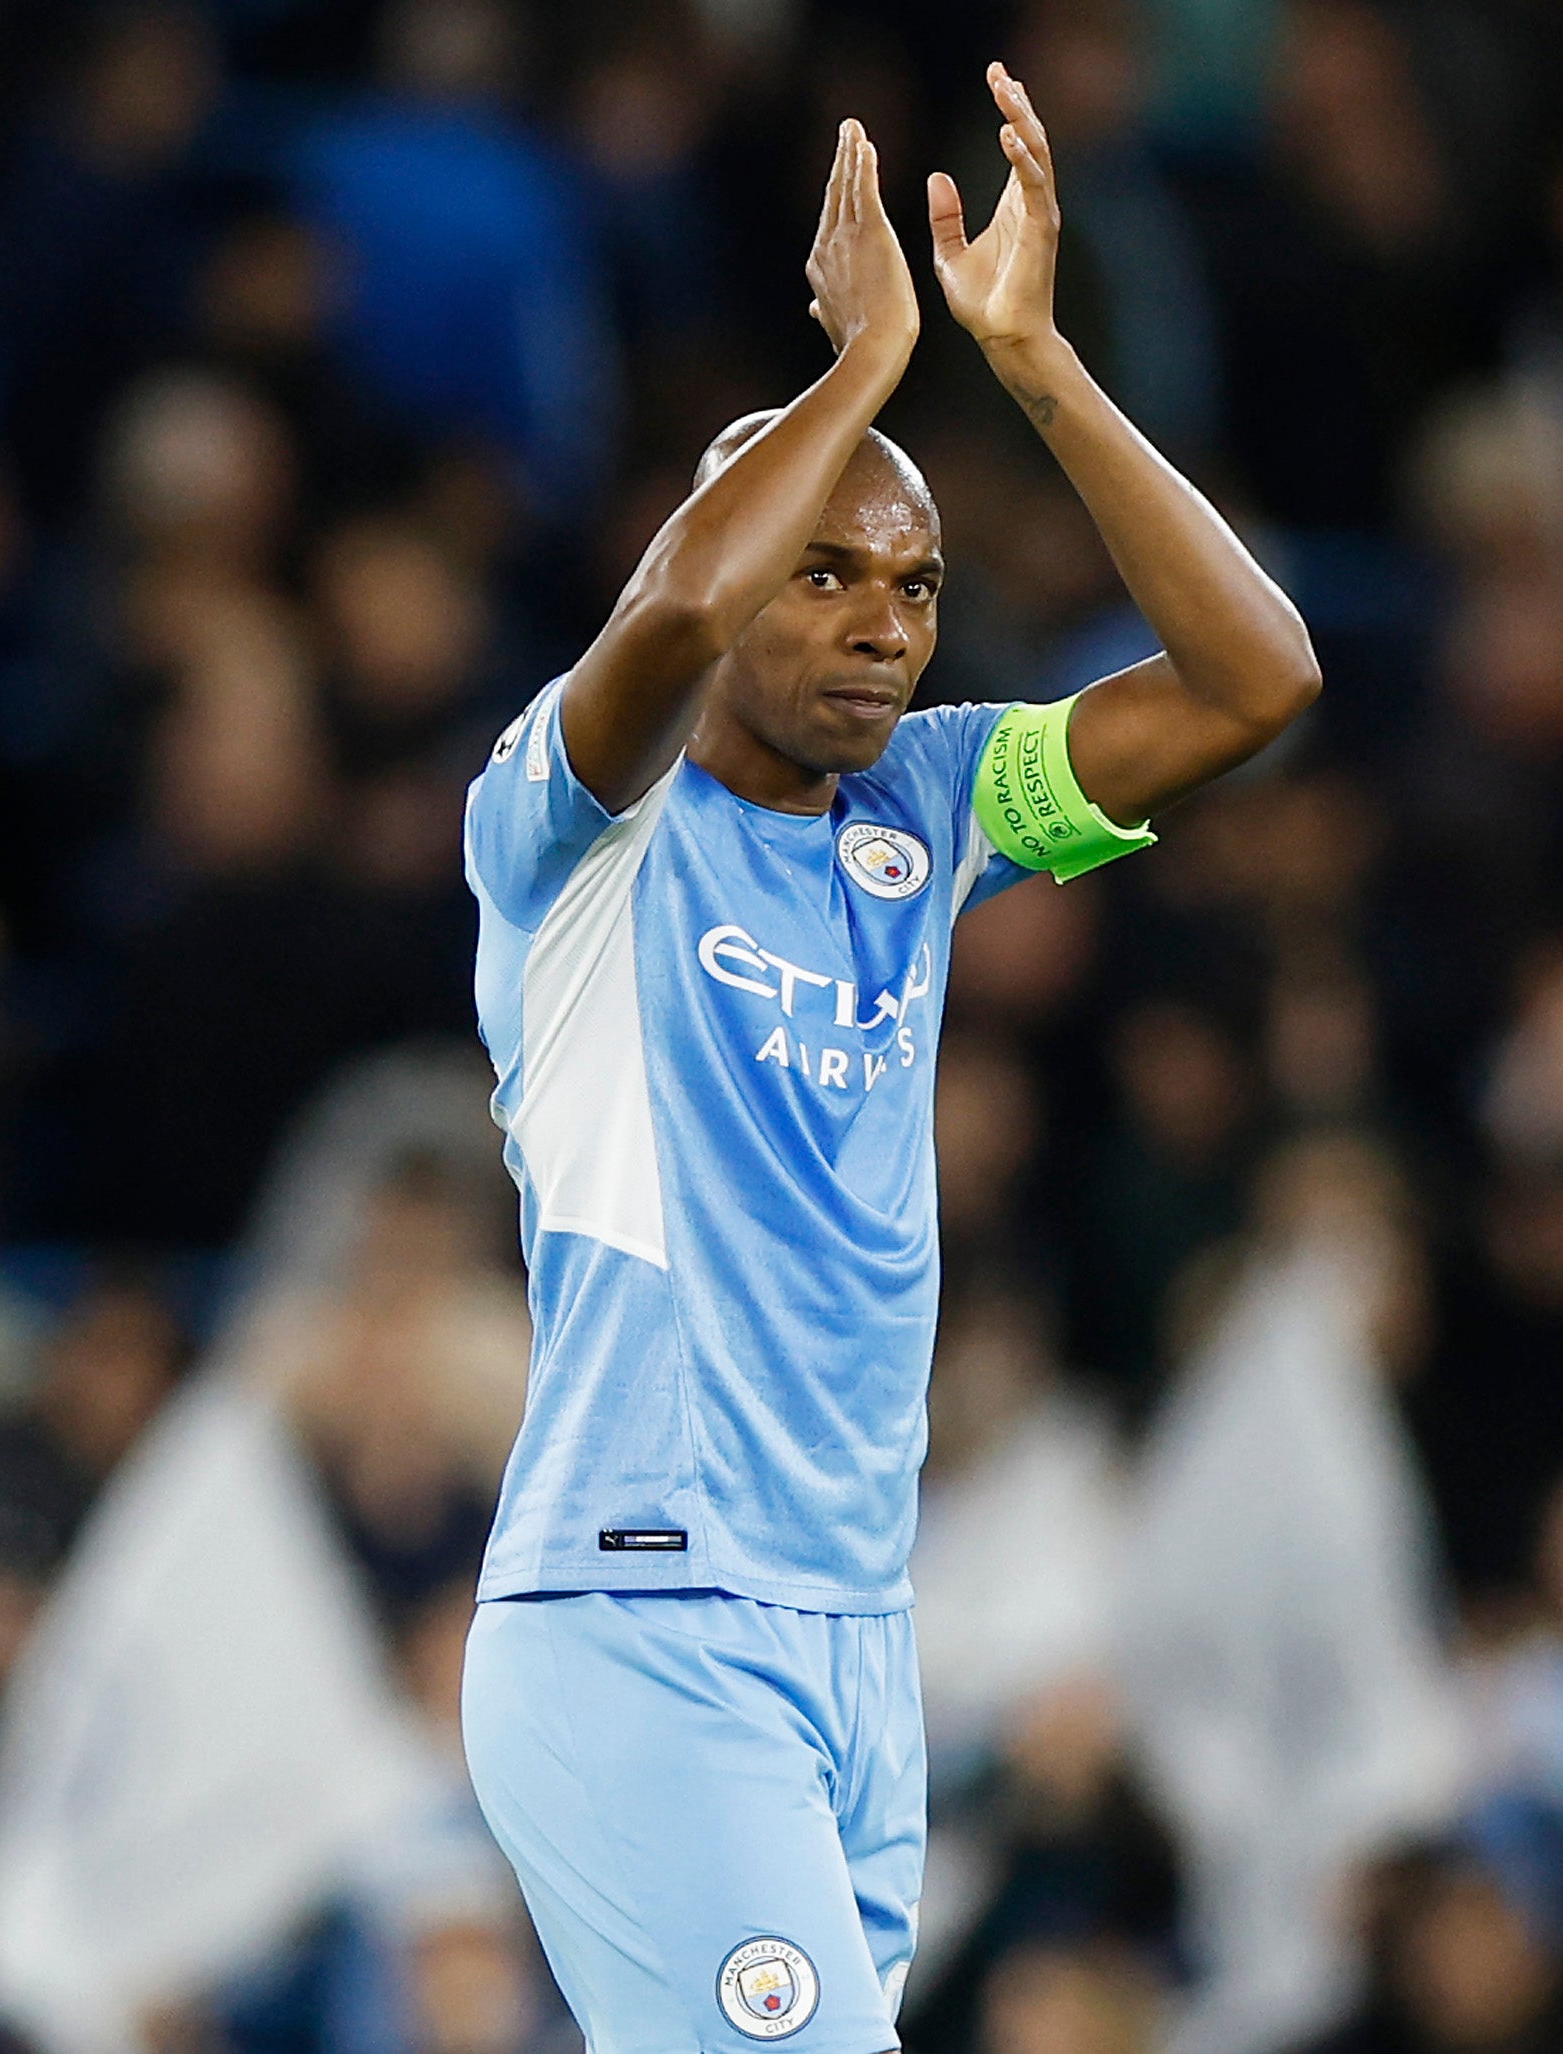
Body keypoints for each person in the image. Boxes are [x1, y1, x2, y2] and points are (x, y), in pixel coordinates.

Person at [456, 66, 1318, 2054]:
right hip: (641, 1615)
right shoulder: (577, 826)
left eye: (914, 584)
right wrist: (864, 366)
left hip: (857, 1638)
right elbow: (671, 603)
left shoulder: (926, 809)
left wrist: (1027, 365)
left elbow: (1257, 677)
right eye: (824, 571)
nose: (877, 628)